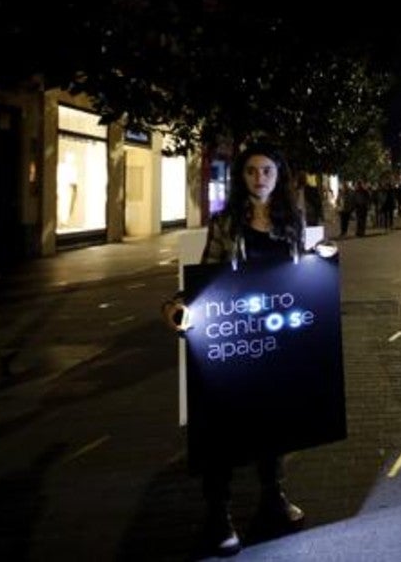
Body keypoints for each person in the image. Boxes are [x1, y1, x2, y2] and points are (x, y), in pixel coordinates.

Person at [161, 143, 329, 556]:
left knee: (272, 421)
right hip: (236, 335)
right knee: (223, 426)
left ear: (279, 175)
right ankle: (217, 513)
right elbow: (210, 272)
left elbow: (296, 270)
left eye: (267, 170)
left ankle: (273, 495)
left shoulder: (292, 219)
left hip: (276, 336)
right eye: (252, 171)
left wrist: (321, 258)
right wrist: (181, 303)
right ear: (242, 177)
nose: (259, 178)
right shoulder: (226, 223)